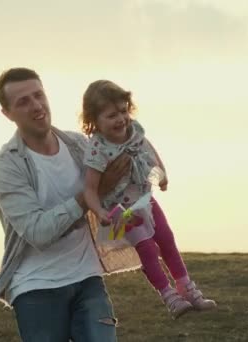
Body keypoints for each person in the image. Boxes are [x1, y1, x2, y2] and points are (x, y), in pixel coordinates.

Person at [0, 67, 136, 342]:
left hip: (88, 278)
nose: (36, 105)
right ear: (7, 114)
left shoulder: (78, 144)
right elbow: (38, 232)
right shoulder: (5, 165)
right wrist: (90, 195)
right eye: (23, 101)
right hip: (36, 287)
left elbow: (118, 179)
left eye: (38, 95)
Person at [81, 80, 217, 320]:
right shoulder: (97, 149)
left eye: (123, 111)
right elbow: (90, 189)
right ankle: (169, 296)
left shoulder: (135, 133)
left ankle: (187, 288)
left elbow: (152, 158)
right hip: (120, 211)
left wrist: (161, 178)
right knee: (146, 248)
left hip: (145, 200)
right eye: (111, 115)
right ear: (94, 120)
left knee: (167, 240)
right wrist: (100, 211)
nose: (121, 119)